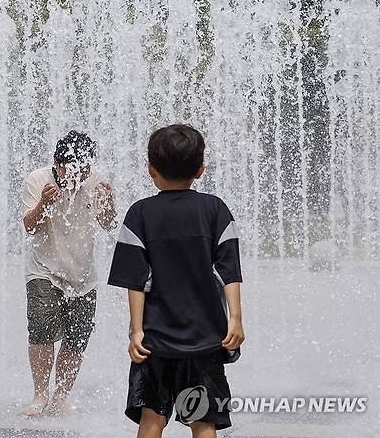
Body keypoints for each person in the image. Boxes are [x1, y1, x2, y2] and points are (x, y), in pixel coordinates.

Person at [108, 124, 245, 438]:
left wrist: (137, 330)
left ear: (150, 170)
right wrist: (235, 319)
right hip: (206, 339)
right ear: (200, 170)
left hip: (156, 342)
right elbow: (228, 270)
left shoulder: (139, 214)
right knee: (203, 422)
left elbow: (136, 280)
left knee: (152, 419)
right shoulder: (215, 210)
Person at [22, 130, 118, 416]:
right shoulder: (38, 180)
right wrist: (44, 204)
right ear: (57, 163)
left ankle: (61, 396)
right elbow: (29, 226)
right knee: (41, 331)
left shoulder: (96, 181)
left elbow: (109, 224)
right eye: (71, 170)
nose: (77, 176)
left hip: (83, 275)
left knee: (77, 337)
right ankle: (40, 395)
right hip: (44, 270)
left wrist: (109, 202)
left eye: (84, 170)